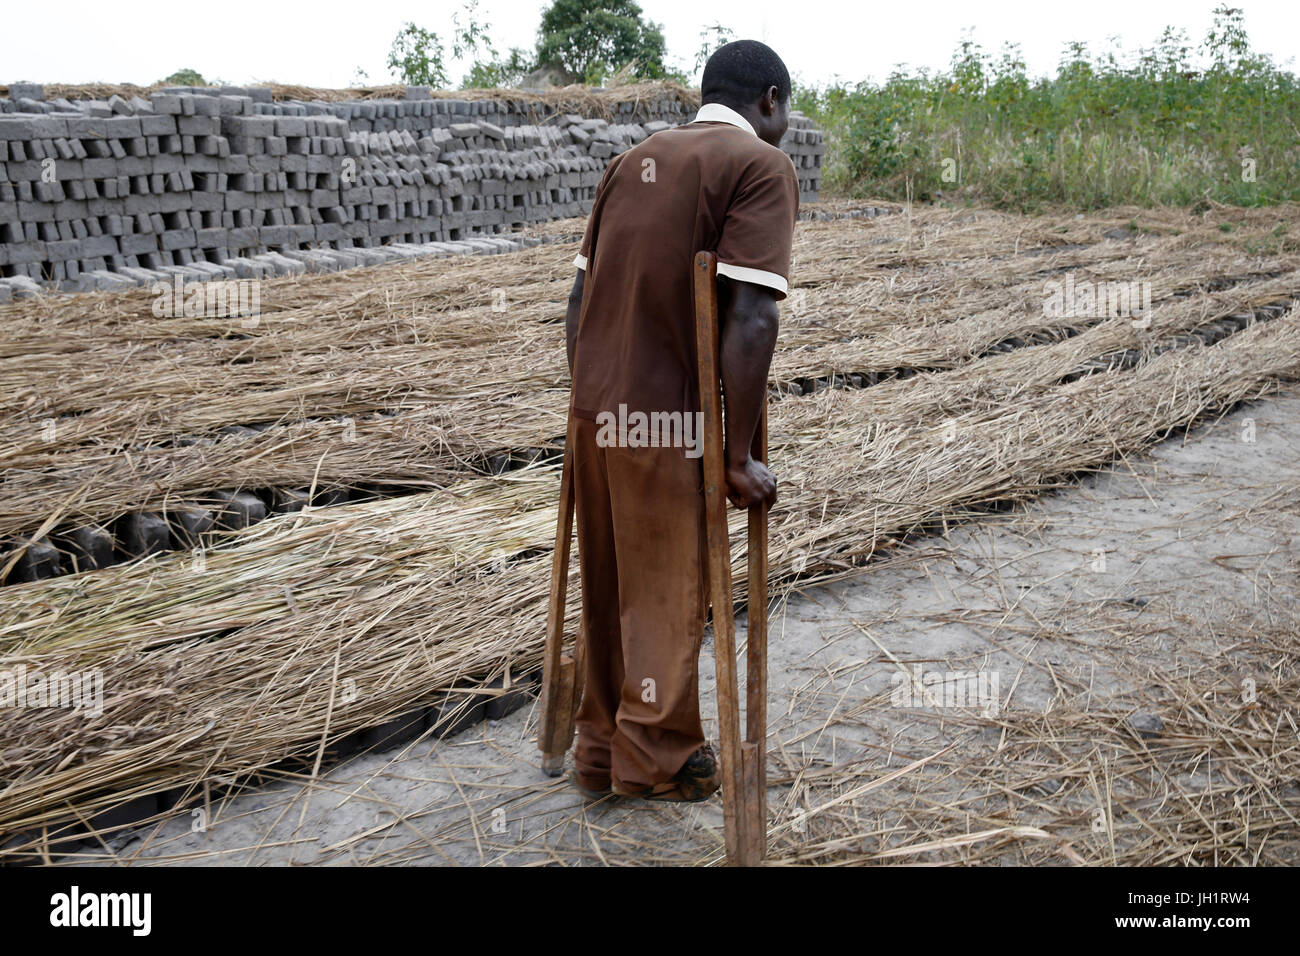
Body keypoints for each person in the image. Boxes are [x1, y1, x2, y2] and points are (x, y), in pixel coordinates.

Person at [563, 40, 798, 802]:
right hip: (669, 419)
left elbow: (578, 301)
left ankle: (599, 746)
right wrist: (735, 455)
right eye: (786, 108)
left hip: (598, 409)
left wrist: (589, 399)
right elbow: (753, 317)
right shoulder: (758, 165)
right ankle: (658, 759)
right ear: (769, 98)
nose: (787, 122)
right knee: (666, 586)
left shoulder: (631, 163)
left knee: (608, 583)